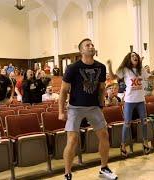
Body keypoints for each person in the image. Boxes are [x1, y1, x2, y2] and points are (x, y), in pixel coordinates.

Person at [58, 38, 117, 180]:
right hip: (75, 108)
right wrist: (61, 111)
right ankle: (67, 173)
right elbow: (63, 90)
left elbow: (102, 88)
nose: (91, 47)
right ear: (81, 50)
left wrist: (101, 105)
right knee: (72, 140)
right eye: (87, 45)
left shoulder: (101, 67)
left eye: (92, 45)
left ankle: (104, 168)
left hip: (93, 107)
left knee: (104, 135)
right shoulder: (73, 68)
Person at [107, 52, 154, 157]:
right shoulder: (125, 70)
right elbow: (113, 77)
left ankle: (145, 142)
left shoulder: (141, 70)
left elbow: (149, 77)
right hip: (129, 100)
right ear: (128, 59)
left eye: (136, 56)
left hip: (140, 100)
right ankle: (123, 145)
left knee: (144, 121)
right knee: (127, 123)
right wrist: (109, 66)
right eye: (132, 56)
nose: (135, 57)